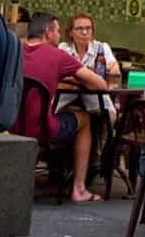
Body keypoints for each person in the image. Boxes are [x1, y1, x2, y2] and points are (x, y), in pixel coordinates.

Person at [11, 12, 107, 202]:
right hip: (41, 129)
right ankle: (79, 189)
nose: (59, 36)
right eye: (56, 31)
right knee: (84, 119)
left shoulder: (14, 50)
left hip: (11, 125)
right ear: (47, 32)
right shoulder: (58, 55)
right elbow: (100, 85)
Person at [57, 12, 120, 119]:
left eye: (88, 28)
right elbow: (58, 73)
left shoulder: (101, 47)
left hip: (96, 100)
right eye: (79, 29)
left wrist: (79, 74)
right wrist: (92, 74)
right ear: (71, 33)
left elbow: (115, 71)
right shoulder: (63, 48)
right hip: (66, 100)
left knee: (109, 118)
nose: (85, 32)